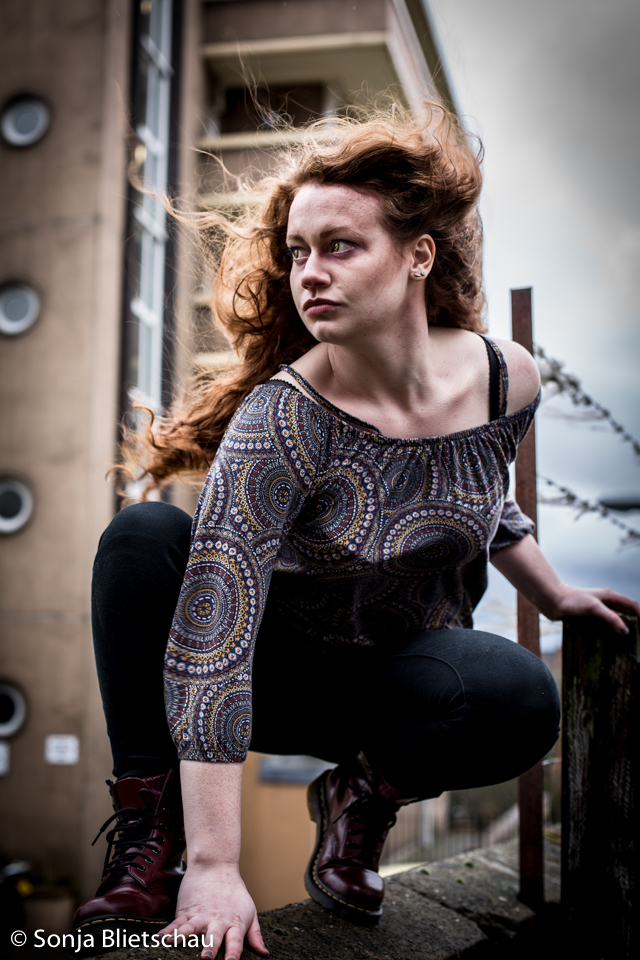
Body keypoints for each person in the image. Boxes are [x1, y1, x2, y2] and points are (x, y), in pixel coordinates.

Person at [73, 104, 638, 960]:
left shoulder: (504, 380)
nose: (310, 273)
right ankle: (156, 841)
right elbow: (214, 640)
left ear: (418, 256)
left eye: (340, 246)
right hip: (264, 675)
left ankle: (359, 797)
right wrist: (218, 868)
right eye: (298, 252)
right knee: (142, 537)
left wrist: (554, 594)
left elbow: (481, 496)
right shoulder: (282, 422)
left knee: (523, 697)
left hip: (391, 689)